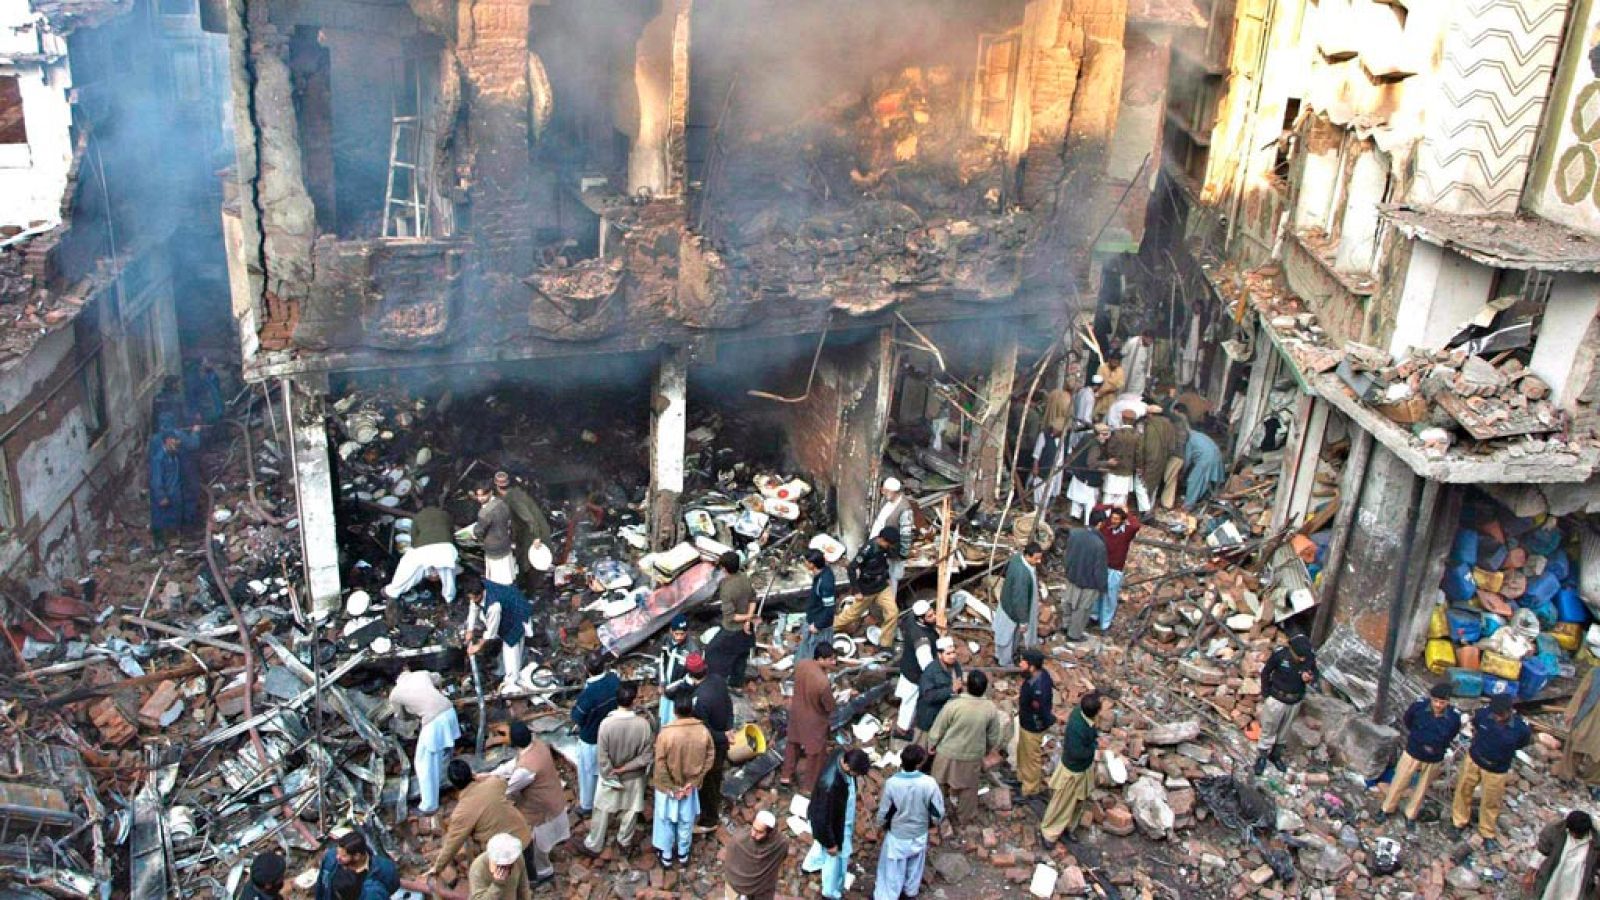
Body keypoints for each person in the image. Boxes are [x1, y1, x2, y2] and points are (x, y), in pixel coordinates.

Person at [926, 670, 1007, 832]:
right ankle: (964, 818)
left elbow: (939, 728)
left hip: (947, 753)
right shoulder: (990, 708)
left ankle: (936, 815)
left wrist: (932, 744)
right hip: (972, 755)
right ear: (984, 688)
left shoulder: (954, 705)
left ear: (966, 686)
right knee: (968, 789)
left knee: (938, 784)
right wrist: (986, 750)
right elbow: (993, 736)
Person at [427, 760, 532, 881]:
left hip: (504, 853)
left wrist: (437, 868)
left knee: (506, 882)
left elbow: (452, 844)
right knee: (528, 872)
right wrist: (479, 778)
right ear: (472, 773)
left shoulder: (462, 812)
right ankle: (533, 883)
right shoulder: (493, 784)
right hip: (523, 836)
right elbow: (502, 781)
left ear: (454, 785)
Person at [1451, 693, 1532, 850]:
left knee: (1491, 800)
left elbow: (1521, 743)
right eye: (1495, 714)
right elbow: (1475, 726)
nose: (1497, 717)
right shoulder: (1483, 714)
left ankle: (1487, 832)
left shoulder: (1521, 729)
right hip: (1474, 760)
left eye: (1501, 714)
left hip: (1497, 769)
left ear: (1510, 711)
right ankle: (1458, 822)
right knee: (1463, 790)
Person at [492, 722, 569, 885]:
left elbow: (510, 789)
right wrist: (492, 774)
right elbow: (513, 764)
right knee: (548, 836)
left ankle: (544, 872)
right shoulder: (538, 745)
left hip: (541, 808)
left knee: (537, 845)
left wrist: (491, 789)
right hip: (553, 797)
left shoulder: (526, 770)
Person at [1380, 682, 1462, 831]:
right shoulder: (1419, 707)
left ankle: (1411, 815)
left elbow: (1451, 734)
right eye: (1435, 701)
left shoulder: (1454, 717)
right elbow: (1408, 721)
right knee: (1399, 781)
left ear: (1448, 702)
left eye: (1442, 702)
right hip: (1413, 752)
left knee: (1422, 788)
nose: (1437, 705)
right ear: (1430, 698)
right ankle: (1387, 809)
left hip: (1434, 757)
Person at [585, 681, 653, 856]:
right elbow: (646, 757)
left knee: (601, 811)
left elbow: (602, 757)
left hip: (610, 776)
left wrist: (611, 774)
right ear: (634, 700)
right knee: (630, 812)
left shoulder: (606, 724)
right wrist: (625, 768)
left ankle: (594, 843)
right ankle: (624, 842)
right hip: (634, 777)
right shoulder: (643, 725)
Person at [651, 694, 716, 869]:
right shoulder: (703, 731)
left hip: (668, 789)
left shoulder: (666, 733)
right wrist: (696, 780)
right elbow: (710, 757)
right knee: (686, 822)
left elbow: (660, 764)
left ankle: (666, 855)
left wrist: (672, 788)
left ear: (674, 710)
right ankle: (683, 854)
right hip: (689, 788)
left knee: (665, 820)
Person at [387, 667, 461, 816]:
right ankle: (449, 780)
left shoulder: (395, 694)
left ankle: (429, 806)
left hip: (434, 721)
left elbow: (401, 717)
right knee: (443, 753)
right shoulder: (421, 674)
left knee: (423, 763)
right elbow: (438, 677)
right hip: (449, 711)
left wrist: (413, 713)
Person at [873, 745, 944, 900]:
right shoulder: (929, 783)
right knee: (915, 866)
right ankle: (910, 893)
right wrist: (933, 824)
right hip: (919, 833)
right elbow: (938, 812)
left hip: (898, 835)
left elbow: (884, 812)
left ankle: (888, 896)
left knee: (892, 870)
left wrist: (879, 826)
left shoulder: (892, 783)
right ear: (919, 764)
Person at [802, 748, 871, 900]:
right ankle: (831, 892)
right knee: (835, 859)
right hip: (835, 826)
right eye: (856, 773)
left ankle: (810, 865)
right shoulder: (830, 785)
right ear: (846, 767)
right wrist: (831, 843)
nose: (856, 777)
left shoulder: (840, 754)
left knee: (819, 844)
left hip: (836, 817)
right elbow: (822, 820)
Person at [1039, 692, 1103, 844]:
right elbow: (1077, 752)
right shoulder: (1079, 729)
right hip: (1073, 771)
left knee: (1078, 803)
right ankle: (1048, 833)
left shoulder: (1079, 713)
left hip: (1083, 769)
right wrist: (1094, 746)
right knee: (1061, 803)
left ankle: (1068, 827)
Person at [1255, 634, 1320, 775]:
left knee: (1284, 731)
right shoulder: (1280, 656)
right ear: (1292, 650)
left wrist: (1309, 678)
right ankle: (1262, 756)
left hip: (1294, 701)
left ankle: (1276, 755)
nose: (1303, 659)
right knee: (1269, 728)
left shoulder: (1309, 658)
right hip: (1277, 698)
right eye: (1300, 656)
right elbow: (1266, 673)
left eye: (1304, 657)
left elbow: (1315, 673)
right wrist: (1266, 694)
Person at [780, 644, 838, 791]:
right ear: (821, 659)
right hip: (814, 720)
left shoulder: (802, 665)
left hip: (796, 712)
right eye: (831, 659)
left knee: (792, 743)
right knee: (815, 753)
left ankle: (786, 776)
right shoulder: (822, 682)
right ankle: (809, 786)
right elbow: (830, 706)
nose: (834, 663)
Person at [463, 576, 534, 695]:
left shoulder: (493, 606)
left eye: (476, 598)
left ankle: (512, 682)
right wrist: (469, 629)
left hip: (516, 615)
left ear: (481, 593)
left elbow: (491, 632)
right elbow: (473, 607)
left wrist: (478, 646)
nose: (474, 600)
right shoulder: (480, 586)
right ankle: (508, 671)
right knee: (507, 646)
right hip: (507, 604)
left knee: (512, 647)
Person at [571, 651, 620, 818]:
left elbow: (577, 717)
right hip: (612, 734)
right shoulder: (614, 680)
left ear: (586, 668)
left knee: (588, 775)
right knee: (608, 768)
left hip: (592, 739)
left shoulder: (588, 695)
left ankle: (587, 805)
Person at [692, 647, 735, 832]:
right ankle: (713, 806)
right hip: (723, 738)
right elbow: (729, 704)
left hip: (711, 744)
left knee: (708, 781)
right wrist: (728, 729)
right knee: (716, 777)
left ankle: (710, 818)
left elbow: (703, 729)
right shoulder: (718, 680)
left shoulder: (699, 698)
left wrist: (723, 734)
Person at [836, 527, 900, 650]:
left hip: (882, 587)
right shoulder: (868, 549)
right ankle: (826, 628)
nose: (889, 546)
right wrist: (856, 590)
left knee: (893, 612)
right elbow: (852, 568)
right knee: (850, 616)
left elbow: (885, 563)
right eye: (888, 543)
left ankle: (885, 644)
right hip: (867, 589)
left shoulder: (885, 548)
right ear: (881, 539)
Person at [383, 505, 460, 602]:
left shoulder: (418, 516)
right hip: (446, 548)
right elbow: (451, 533)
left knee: (407, 566)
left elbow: (414, 540)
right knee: (448, 576)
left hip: (424, 549)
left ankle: (392, 591)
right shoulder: (446, 515)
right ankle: (450, 599)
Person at [493, 470, 552, 591]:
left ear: (498, 487)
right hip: (532, 530)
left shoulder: (513, 499)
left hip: (532, 532)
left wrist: (536, 536)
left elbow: (528, 518)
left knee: (528, 562)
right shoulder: (517, 493)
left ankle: (531, 591)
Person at [894, 600, 940, 741]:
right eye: (930, 616)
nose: (935, 617)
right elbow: (926, 665)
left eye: (933, 613)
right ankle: (902, 730)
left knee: (907, 698)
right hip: (914, 674)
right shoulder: (922, 641)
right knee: (909, 702)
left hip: (907, 664)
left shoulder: (911, 619)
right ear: (921, 618)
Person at [1530, 811, 1600, 900]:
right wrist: (1530, 873)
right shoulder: (1555, 831)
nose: (1575, 835)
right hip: (1553, 878)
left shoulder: (1595, 843)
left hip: (1576, 885)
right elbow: (1541, 852)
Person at [994, 542, 1043, 666]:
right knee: (1006, 638)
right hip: (1012, 611)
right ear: (1027, 556)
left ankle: (1002, 655)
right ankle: (1005, 662)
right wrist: (1023, 621)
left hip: (1007, 604)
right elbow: (1020, 600)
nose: (1039, 561)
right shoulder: (1022, 575)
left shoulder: (1017, 558)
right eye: (1036, 558)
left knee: (1005, 634)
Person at [712, 552, 758, 685]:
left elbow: (731, 616)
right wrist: (749, 619)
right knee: (741, 657)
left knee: (714, 652)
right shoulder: (745, 578)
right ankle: (736, 684)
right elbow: (753, 599)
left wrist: (747, 617)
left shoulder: (726, 588)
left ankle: (719, 681)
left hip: (732, 630)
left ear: (724, 568)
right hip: (747, 628)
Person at [1058, 522, 1108, 642]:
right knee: (1082, 609)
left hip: (1072, 576)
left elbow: (1067, 555)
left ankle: (1065, 626)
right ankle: (1073, 635)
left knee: (1068, 602)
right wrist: (1103, 586)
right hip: (1089, 583)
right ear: (1100, 524)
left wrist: (1068, 570)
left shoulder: (1075, 533)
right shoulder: (1099, 545)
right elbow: (1099, 569)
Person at [724, 810, 790, 900]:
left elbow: (781, 858)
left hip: (762, 887)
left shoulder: (780, 845)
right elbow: (730, 864)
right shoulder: (738, 840)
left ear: (770, 833)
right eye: (753, 828)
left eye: (759, 832)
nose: (753, 834)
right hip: (737, 884)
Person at [869, 477, 916, 599]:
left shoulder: (905, 509)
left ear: (894, 492)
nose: (883, 493)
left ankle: (888, 606)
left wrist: (903, 554)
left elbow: (906, 535)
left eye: (886, 491)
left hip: (891, 550)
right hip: (879, 546)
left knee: (891, 579)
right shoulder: (887, 501)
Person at [1017, 649, 1055, 799]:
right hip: (1026, 723)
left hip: (1033, 727)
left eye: (1023, 662)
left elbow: (1043, 710)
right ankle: (1021, 778)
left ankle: (1030, 789)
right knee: (1023, 753)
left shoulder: (1040, 687)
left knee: (1031, 759)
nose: (1020, 665)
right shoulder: (1036, 676)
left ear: (1031, 666)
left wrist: (1047, 722)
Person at [1095, 506, 1140, 632]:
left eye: (1117, 519)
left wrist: (1127, 512)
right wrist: (1111, 505)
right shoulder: (1105, 528)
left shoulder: (1126, 532)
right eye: (1112, 518)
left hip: (1115, 568)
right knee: (1097, 591)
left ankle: (1105, 622)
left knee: (1110, 594)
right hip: (1102, 565)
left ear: (1122, 520)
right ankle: (1094, 616)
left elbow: (1136, 526)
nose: (1113, 521)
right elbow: (1096, 508)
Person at [316, 832, 398, 900]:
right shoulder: (330, 858)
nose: (337, 857)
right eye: (338, 852)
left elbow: (393, 887)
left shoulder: (385, 869)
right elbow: (321, 885)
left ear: (357, 856)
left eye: (343, 856)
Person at [1559, 665, 1600, 799]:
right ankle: (1567, 775)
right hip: (1588, 715)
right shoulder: (1596, 672)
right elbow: (1581, 693)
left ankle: (1593, 782)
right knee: (1576, 742)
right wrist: (1571, 711)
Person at [149, 432, 196, 548]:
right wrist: (161, 496)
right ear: (168, 441)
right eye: (175, 441)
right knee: (160, 520)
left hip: (175, 494)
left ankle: (174, 541)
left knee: (174, 519)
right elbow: (156, 480)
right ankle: (159, 544)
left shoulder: (174, 456)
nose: (178, 443)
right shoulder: (159, 459)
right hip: (165, 495)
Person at [656, 615, 700, 725]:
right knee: (663, 718)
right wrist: (662, 682)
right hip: (665, 687)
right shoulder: (666, 640)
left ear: (687, 632)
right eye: (676, 634)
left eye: (682, 634)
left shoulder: (692, 650)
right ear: (671, 631)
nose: (679, 637)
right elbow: (662, 661)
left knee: (674, 721)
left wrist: (669, 689)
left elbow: (690, 677)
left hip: (679, 692)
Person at [914, 636, 964, 735]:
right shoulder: (931, 671)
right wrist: (951, 690)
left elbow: (958, 682)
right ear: (939, 655)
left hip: (947, 712)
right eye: (948, 653)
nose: (952, 656)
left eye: (953, 652)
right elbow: (928, 696)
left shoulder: (955, 665)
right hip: (931, 715)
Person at [1139, 404, 1185, 510]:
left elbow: (1141, 444)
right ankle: (1148, 508)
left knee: (1145, 485)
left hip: (1149, 458)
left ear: (1150, 414)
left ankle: (1143, 510)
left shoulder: (1148, 424)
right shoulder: (1169, 425)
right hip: (1163, 459)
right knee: (1155, 485)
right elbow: (1172, 445)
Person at [471, 480, 517, 585]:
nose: (480, 499)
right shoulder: (502, 503)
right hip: (505, 543)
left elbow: (479, 532)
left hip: (493, 548)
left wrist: (475, 532)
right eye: (478, 496)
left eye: (483, 495)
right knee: (508, 573)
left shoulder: (485, 513)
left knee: (497, 578)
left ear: (491, 492)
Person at [1180, 408, 1226, 510]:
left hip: (1207, 459)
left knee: (1193, 480)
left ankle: (1188, 505)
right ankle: (1206, 496)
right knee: (1206, 479)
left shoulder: (1190, 441)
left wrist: (1181, 474)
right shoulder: (1197, 434)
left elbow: (1187, 462)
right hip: (1216, 455)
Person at [467, 833, 533, 900]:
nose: (506, 867)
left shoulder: (517, 857)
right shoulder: (478, 867)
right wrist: (497, 884)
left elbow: (523, 888)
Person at [1064, 424, 1108, 523]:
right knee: (1090, 502)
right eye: (1104, 435)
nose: (1106, 437)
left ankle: (1074, 516)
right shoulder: (1095, 446)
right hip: (1088, 478)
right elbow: (1091, 463)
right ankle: (1087, 522)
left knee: (1076, 500)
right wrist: (1107, 463)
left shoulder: (1086, 437)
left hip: (1078, 473)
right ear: (1098, 434)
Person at [798, 549, 837, 661]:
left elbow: (830, 608)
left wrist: (818, 625)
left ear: (812, 564)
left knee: (815, 655)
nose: (804, 563)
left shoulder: (825, 583)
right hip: (812, 619)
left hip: (819, 626)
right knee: (805, 650)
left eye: (805, 561)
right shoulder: (823, 572)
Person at [1100, 413, 1140, 508]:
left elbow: (1109, 449)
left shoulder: (1116, 433)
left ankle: (1105, 517)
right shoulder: (1138, 435)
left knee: (1108, 496)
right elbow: (1139, 454)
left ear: (1122, 419)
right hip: (1127, 471)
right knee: (1122, 497)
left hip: (1114, 469)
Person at [1030, 424, 1067, 513]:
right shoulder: (1043, 436)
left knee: (1047, 496)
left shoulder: (1061, 441)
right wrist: (1036, 467)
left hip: (1053, 473)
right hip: (1042, 471)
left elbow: (1060, 460)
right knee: (1039, 496)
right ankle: (1037, 514)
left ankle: (1041, 516)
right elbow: (1036, 454)